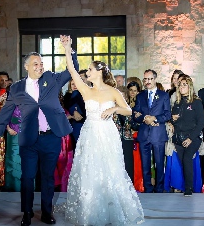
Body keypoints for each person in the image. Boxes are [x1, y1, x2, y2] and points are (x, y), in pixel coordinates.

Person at [60, 35, 144, 225]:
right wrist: (67, 49)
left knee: (110, 170)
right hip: (89, 134)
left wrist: (114, 108)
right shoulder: (85, 89)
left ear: (99, 71)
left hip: (107, 134)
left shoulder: (113, 91)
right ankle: (90, 209)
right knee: (90, 170)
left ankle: (112, 207)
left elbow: (128, 110)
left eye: (90, 69)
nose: (87, 72)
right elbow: (72, 70)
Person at [0, 45, 79, 226]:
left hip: (50, 137)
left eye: (41, 63)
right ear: (26, 67)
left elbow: (72, 70)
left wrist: (70, 50)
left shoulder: (51, 79)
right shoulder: (16, 88)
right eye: (36, 64)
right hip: (29, 140)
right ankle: (27, 212)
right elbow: (6, 112)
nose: (40, 67)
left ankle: (47, 212)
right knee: (27, 177)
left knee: (48, 177)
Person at [133, 69, 171, 193]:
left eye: (150, 79)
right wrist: (144, 118)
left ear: (155, 79)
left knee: (159, 164)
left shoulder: (164, 95)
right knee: (145, 165)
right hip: (144, 135)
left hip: (158, 134)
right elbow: (135, 115)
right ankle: (148, 189)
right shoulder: (140, 96)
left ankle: (159, 189)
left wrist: (154, 118)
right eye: (145, 79)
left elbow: (167, 115)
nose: (147, 81)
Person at [168, 75, 204, 196]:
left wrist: (190, 138)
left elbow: (201, 123)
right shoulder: (177, 103)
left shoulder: (196, 102)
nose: (182, 87)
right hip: (179, 138)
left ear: (190, 86)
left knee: (187, 158)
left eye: (184, 84)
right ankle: (184, 186)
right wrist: (172, 119)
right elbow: (173, 121)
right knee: (183, 162)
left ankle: (189, 188)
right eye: (180, 85)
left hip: (192, 137)